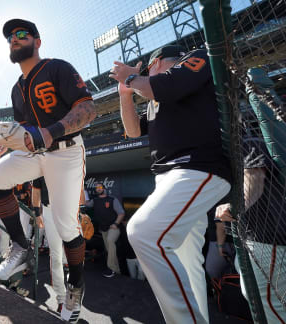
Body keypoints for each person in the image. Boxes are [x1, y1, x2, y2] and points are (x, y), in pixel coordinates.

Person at [0, 19, 96, 323]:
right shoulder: (16, 89)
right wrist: (10, 143)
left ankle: (75, 288)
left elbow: (88, 109)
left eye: (21, 34)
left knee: (66, 227)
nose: (14, 39)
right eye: (10, 37)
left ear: (37, 41)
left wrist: (52, 130)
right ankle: (20, 249)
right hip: (35, 152)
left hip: (67, 150)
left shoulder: (57, 67)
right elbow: (27, 131)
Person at [110, 45, 232, 324]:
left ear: (159, 62)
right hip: (169, 177)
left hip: (196, 167)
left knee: (143, 233)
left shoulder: (196, 57)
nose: (147, 71)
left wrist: (132, 77)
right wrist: (125, 93)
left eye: (149, 66)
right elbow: (132, 130)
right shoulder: (155, 98)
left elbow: (165, 85)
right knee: (187, 262)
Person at [215, 137, 286, 323]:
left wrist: (234, 207)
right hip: (249, 240)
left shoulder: (248, 143)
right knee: (257, 299)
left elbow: (254, 179)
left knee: (271, 306)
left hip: (267, 241)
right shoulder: (222, 159)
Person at [32, 177, 68, 313]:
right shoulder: (41, 163)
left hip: (68, 209)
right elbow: (35, 193)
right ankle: (62, 299)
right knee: (56, 256)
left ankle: (74, 293)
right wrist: (37, 213)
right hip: (49, 210)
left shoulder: (68, 158)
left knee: (75, 255)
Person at [84, 182, 125, 278]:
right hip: (103, 228)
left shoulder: (112, 199)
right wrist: (83, 192)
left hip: (113, 227)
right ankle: (117, 271)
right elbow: (86, 204)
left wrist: (115, 224)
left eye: (100, 187)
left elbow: (121, 213)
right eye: (96, 188)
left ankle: (112, 269)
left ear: (104, 188)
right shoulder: (95, 200)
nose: (98, 188)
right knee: (109, 249)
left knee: (110, 241)